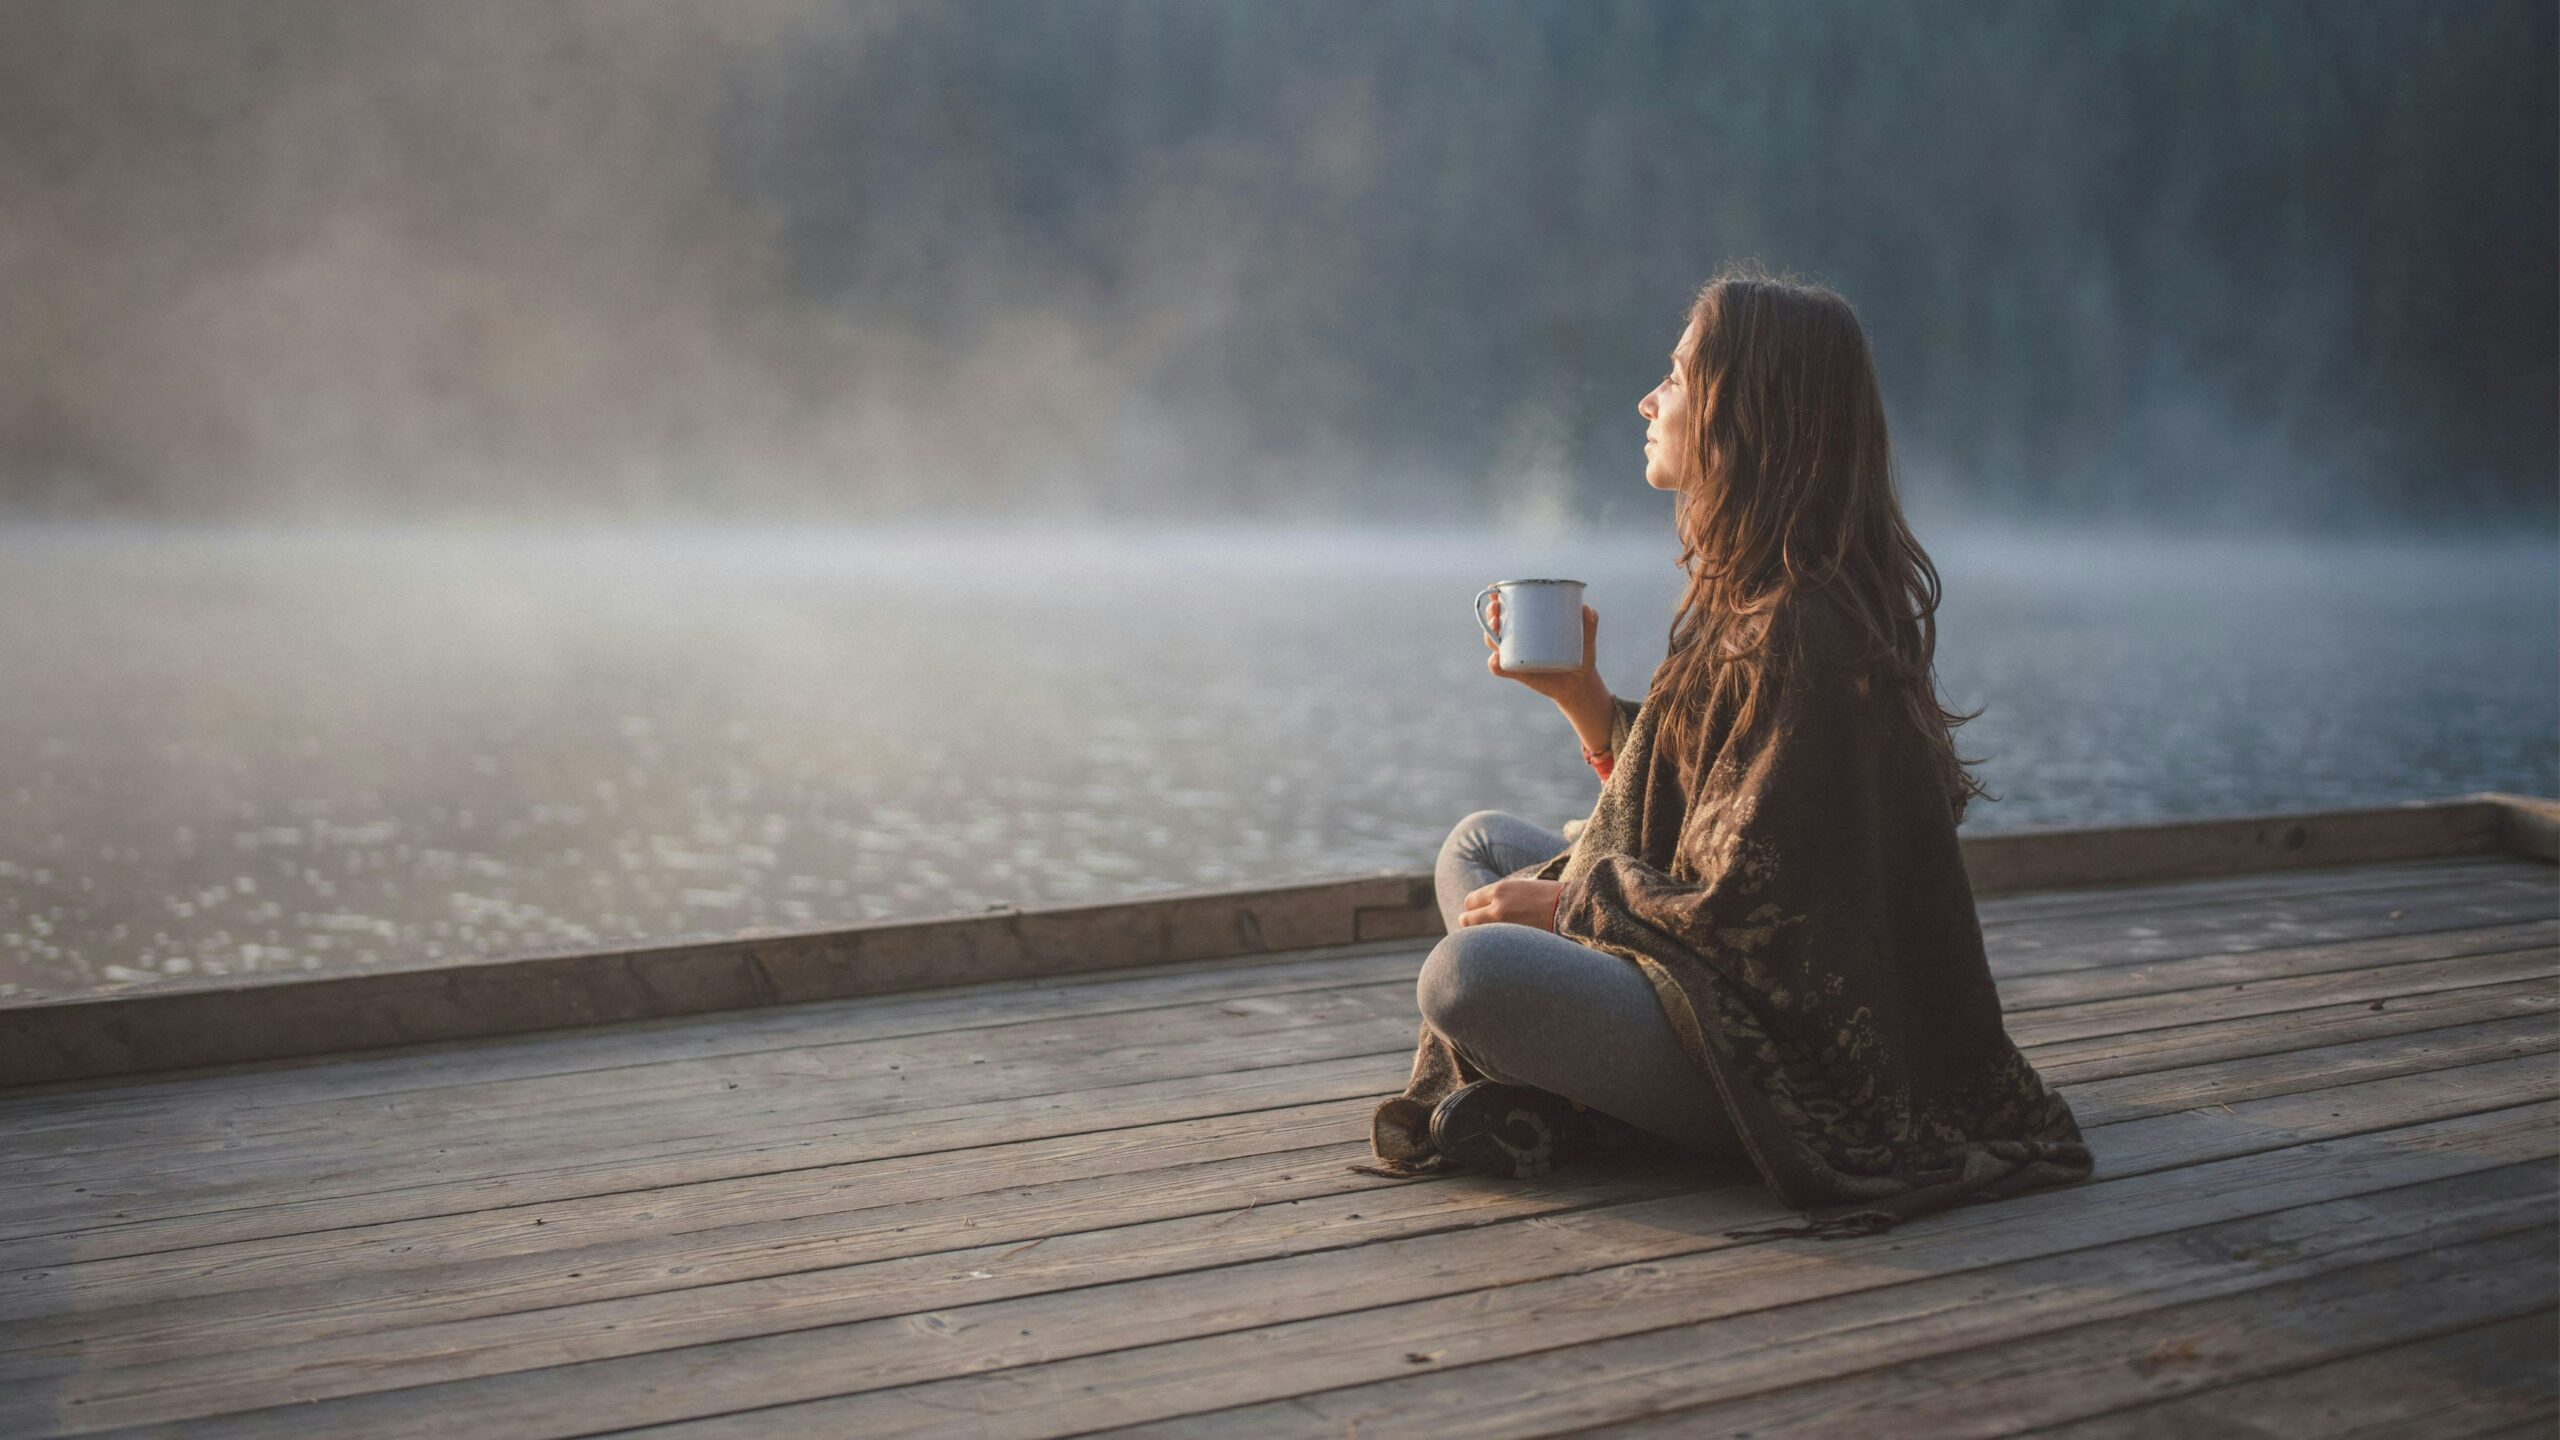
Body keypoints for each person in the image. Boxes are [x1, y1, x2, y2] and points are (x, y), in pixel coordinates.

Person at [1363, 261, 2092, 1236]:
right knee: (1481, 847)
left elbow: (1762, 916)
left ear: (1741, 410)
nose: (1647, 399)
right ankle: (1565, 1086)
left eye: (1674, 376)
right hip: (1707, 977)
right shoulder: (1740, 596)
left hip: (1793, 1059)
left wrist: (1573, 903)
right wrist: (1581, 699)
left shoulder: (1803, 628)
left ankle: (1593, 1104)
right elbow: (1695, 816)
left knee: (1471, 977)